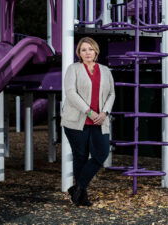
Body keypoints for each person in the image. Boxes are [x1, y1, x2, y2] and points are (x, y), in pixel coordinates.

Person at [61, 37, 115, 206]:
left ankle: (77, 188)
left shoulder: (105, 70)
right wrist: (90, 112)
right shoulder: (73, 69)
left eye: (90, 49)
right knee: (81, 157)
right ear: (79, 53)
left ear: (96, 51)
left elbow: (112, 93)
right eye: (83, 50)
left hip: (100, 121)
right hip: (77, 121)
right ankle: (81, 196)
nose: (87, 52)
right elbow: (70, 93)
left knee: (101, 153)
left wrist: (105, 112)